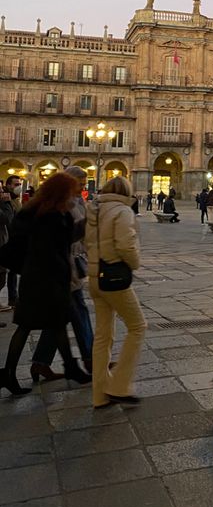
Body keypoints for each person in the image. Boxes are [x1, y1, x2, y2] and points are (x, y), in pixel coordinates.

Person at [0, 173, 92, 397]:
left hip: (34, 277)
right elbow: (58, 245)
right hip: (48, 277)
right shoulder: (52, 215)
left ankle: (11, 372)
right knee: (52, 321)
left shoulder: (33, 210)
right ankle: (68, 367)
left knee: (36, 325)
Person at [85, 176, 145, 407]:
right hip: (114, 277)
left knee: (103, 336)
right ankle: (119, 385)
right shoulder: (122, 211)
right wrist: (135, 263)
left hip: (94, 277)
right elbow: (125, 245)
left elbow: (86, 241)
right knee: (138, 327)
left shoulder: (94, 210)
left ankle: (99, 394)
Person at [30, 166, 94, 381]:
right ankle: (89, 359)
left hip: (70, 266)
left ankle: (40, 362)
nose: (83, 189)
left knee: (61, 317)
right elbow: (60, 238)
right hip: (60, 269)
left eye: (85, 185)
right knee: (77, 313)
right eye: (80, 185)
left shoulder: (77, 201)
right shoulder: (54, 206)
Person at [0, 175, 23, 312]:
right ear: (7, 186)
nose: (18, 187)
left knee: (12, 273)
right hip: (5, 241)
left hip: (12, 240)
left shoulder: (16, 201)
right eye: (15, 184)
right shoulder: (5, 202)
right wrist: (7, 204)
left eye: (19, 183)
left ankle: (13, 298)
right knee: (3, 275)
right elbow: (8, 219)